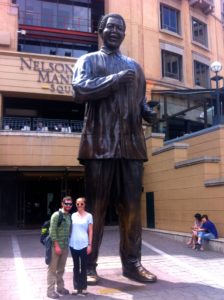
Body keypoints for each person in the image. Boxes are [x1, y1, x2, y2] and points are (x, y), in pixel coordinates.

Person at [72, 13, 157, 284]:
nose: (115, 31)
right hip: (100, 145)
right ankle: (88, 265)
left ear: (124, 34)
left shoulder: (135, 67)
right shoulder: (88, 61)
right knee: (95, 209)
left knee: (132, 208)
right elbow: (79, 90)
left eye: (120, 28)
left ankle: (132, 263)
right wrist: (115, 80)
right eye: (110, 26)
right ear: (100, 30)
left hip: (131, 146)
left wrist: (148, 112)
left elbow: (140, 102)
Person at [47, 196, 72, 299]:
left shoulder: (69, 216)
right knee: (52, 269)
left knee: (61, 269)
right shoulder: (56, 215)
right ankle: (50, 291)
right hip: (55, 247)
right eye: (66, 203)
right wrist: (56, 245)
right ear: (62, 204)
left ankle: (60, 288)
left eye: (70, 204)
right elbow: (52, 231)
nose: (68, 205)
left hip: (65, 247)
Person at [69, 197, 93, 296]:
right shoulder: (73, 215)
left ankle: (83, 287)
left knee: (83, 266)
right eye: (77, 203)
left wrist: (90, 245)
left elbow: (91, 231)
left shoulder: (89, 216)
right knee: (75, 266)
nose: (79, 205)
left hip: (84, 244)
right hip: (73, 244)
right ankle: (76, 287)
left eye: (81, 204)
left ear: (85, 204)